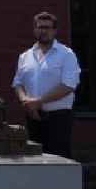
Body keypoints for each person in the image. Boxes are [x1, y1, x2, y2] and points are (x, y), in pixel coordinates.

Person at [13, 11, 79, 159]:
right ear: (34, 30)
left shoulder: (66, 55)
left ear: (55, 31)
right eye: (40, 27)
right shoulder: (25, 56)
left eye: (47, 28)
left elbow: (68, 86)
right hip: (34, 118)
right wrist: (26, 101)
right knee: (36, 161)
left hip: (58, 119)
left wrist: (38, 101)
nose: (43, 31)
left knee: (59, 162)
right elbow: (18, 83)